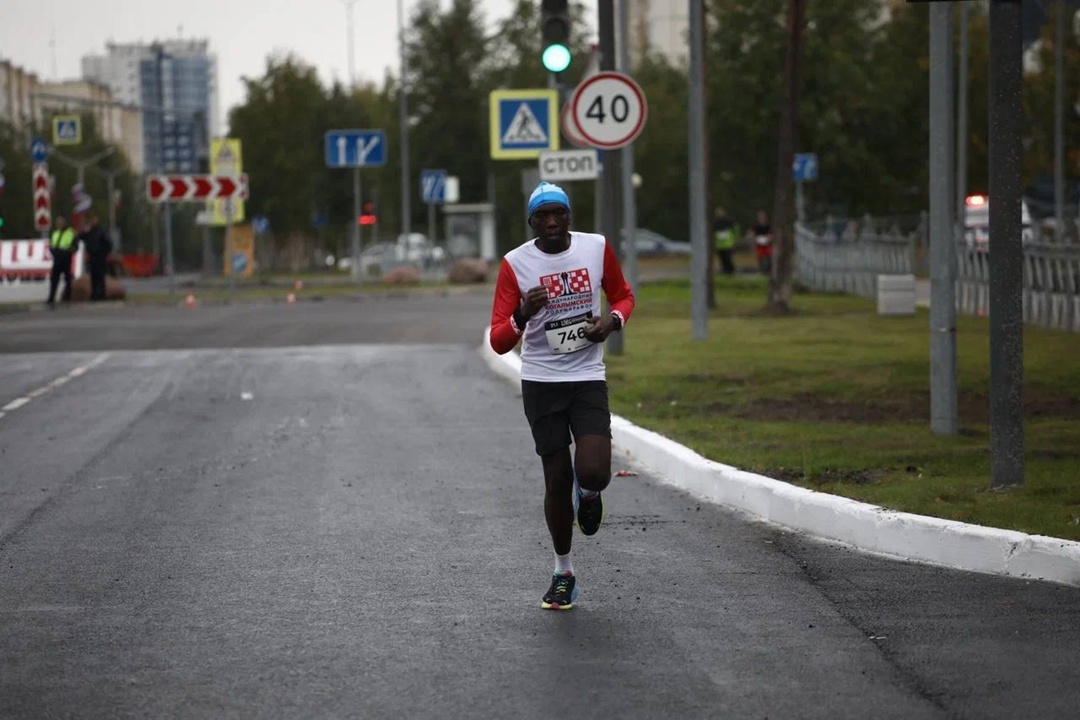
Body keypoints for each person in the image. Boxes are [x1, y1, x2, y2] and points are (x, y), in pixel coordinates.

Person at [489, 182, 636, 611]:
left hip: (587, 376)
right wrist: (522, 314)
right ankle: (563, 572)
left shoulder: (595, 248)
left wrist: (610, 322)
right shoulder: (516, 263)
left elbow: (624, 296)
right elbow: (499, 339)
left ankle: (589, 495)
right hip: (541, 382)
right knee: (556, 479)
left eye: (559, 213)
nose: (552, 222)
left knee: (592, 472)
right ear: (532, 222)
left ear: (570, 216)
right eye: (542, 216)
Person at [78, 213, 112, 301]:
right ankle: (94, 294)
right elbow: (81, 238)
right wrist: (84, 231)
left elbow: (108, 243)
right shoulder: (89, 231)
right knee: (93, 277)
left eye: (94, 219)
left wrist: (104, 253)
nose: (92, 221)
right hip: (92, 256)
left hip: (100, 256)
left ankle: (102, 294)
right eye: (91, 220)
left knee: (100, 277)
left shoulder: (101, 231)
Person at [46, 215, 77, 307]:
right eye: (57, 222)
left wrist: (66, 252)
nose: (59, 224)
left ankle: (67, 297)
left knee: (68, 279)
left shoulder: (71, 233)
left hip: (66, 259)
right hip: (57, 259)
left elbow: (75, 247)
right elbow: (52, 245)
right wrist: (54, 252)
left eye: (60, 222)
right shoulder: (55, 233)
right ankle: (51, 298)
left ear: (64, 223)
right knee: (54, 280)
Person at [712, 207, 737, 275]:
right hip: (719, 244)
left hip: (728, 243)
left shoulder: (729, 221)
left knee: (728, 258)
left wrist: (735, 238)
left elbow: (735, 229)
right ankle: (725, 270)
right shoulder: (715, 222)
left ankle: (730, 270)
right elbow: (714, 233)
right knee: (722, 258)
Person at [749, 210, 773, 277]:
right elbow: (752, 234)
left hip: (766, 243)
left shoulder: (768, 225)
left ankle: (768, 270)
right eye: (760, 217)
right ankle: (762, 271)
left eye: (762, 217)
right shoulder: (755, 225)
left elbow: (771, 233)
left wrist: (769, 238)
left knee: (768, 257)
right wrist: (753, 240)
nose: (761, 218)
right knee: (760, 258)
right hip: (759, 243)